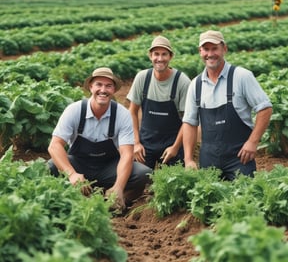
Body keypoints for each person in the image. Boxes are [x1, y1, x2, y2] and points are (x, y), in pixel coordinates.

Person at [48, 67, 153, 211]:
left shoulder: (122, 115)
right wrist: (71, 174)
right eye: (99, 84)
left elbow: (127, 154)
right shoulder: (74, 110)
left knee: (143, 173)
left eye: (108, 86)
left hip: (108, 168)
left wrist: (119, 186)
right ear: (91, 87)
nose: (103, 90)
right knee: (51, 166)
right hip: (80, 165)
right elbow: (54, 146)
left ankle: (115, 199)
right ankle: (72, 196)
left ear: (114, 89)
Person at [182, 30, 273, 180]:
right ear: (200, 52)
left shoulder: (242, 76)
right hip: (208, 161)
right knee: (209, 201)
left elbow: (265, 108)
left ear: (224, 49)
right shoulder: (195, 85)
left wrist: (252, 142)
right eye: (206, 49)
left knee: (244, 200)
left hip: (240, 158)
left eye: (214, 48)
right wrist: (188, 159)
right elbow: (190, 123)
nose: (210, 54)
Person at [127, 35, 191, 169]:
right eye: (156, 54)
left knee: (172, 183)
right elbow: (132, 112)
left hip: (172, 144)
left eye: (164, 54)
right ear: (150, 55)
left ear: (171, 56)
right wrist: (136, 143)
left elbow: (188, 120)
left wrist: (175, 147)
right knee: (136, 180)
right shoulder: (142, 78)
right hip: (146, 144)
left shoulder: (182, 81)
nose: (160, 59)